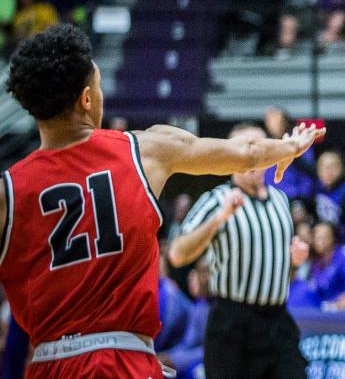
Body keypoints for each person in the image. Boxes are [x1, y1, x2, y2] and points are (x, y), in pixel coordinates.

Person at [0, 25, 321, 378]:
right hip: (126, 361)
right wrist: (290, 146)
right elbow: (245, 152)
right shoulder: (143, 150)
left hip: (51, 363)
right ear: (87, 99)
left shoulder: (9, 192)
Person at [168, 123, 313, 379]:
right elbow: (177, 254)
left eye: (259, 147)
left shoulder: (280, 201)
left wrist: (294, 262)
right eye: (245, 148)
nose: (253, 154)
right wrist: (218, 220)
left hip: (277, 320)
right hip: (231, 324)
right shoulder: (215, 199)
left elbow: (273, 271)